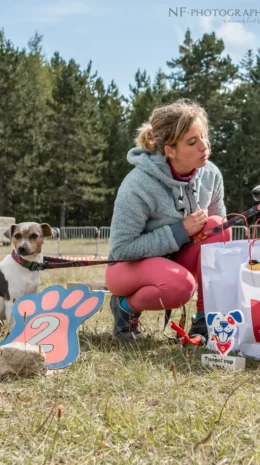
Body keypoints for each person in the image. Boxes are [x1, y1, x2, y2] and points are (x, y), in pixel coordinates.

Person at [105, 99, 230, 339]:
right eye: (192, 142)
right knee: (181, 286)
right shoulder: (138, 185)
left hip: (176, 260)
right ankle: (124, 308)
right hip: (127, 267)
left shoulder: (211, 174)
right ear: (170, 151)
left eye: (203, 137)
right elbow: (121, 249)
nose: (204, 147)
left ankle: (206, 319)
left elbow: (218, 239)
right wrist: (179, 231)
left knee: (218, 227)